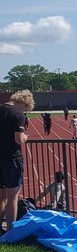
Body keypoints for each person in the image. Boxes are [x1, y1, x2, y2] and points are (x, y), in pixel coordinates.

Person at [0, 89, 34, 233]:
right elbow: (19, 139)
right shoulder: (17, 114)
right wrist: (26, 136)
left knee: (1, 196)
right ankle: (10, 230)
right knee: (12, 196)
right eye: (26, 109)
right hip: (12, 158)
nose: (25, 112)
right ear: (23, 102)